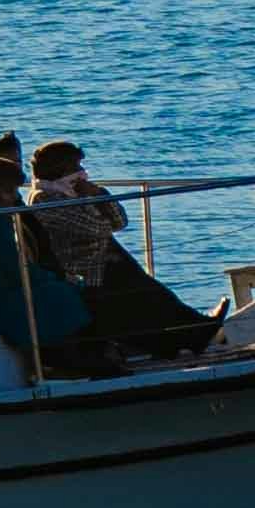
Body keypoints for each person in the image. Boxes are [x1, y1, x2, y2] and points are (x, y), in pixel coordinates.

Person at [31, 141, 209, 365]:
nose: (81, 171)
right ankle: (191, 333)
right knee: (142, 291)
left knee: (150, 289)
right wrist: (92, 200)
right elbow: (97, 227)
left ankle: (194, 328)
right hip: (83, 267)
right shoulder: (44, 199)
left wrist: (99, 193)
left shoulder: (74, 193)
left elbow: (119, 221)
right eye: (75, 166)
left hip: (103, 259)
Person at [0, 134, 94, 373]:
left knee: (54, 291)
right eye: (12, 190)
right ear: (1, 191)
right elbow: (13, 268)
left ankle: (65, 355)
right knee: (57, 296)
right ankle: (63, 360)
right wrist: (53, 279)